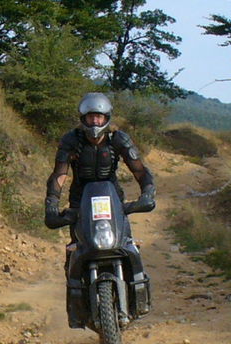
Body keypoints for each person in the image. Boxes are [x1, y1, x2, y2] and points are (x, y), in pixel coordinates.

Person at [44, 93, 156, 327]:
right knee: (76, 252)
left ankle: (136, 294)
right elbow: (60, 174)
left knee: (126, 244)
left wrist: (147, 193)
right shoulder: (71, 141)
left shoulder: (118, 140)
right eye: (90, 117)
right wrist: (52, 204)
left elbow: (139, 170)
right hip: (80, 202)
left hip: (112, 199)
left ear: (107, 118)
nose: (95, 122)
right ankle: (78, 307)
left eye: (99, 117)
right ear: (82, 119)